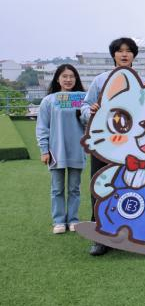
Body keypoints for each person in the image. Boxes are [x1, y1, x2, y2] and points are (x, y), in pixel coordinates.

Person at [80, 37, 138, 256]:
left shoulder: (141, 82)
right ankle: (100, 236)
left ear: (133, 55)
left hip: (132, 146)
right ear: (113, 54)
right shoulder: (100, 80)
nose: (124, 54)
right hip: (103, 144)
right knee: (101, 186)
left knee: (130, 187)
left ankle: (127, 233)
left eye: (128, 51)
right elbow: (85, 107)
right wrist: (91, 111)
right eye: (120, 51)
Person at [36, 64, 86, 234]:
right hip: (56, 151)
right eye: (64, 76)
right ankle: (58, 221)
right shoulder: (49, 101)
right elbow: (42, 127)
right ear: (57, 79)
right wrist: (44, 150)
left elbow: (89, 123)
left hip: (77, 149)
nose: (68, 79)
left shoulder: (83, 99)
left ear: (76, 79)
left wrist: (88, 112)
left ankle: (73, 220)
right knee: (57, 189)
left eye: (71, 76)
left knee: (74, 188)